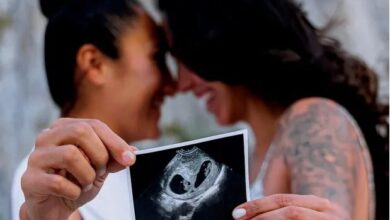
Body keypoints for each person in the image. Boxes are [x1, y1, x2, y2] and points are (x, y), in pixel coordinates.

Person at [158, 0, 388, 219]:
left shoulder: (313, 120)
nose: (182, 84)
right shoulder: (254, 155)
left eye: (184, 59)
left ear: (219, 46)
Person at [12, 0, 175, 219]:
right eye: (157, 58)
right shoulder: (52, 181)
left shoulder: (129, 174)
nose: (172, 85)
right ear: (95, 63)